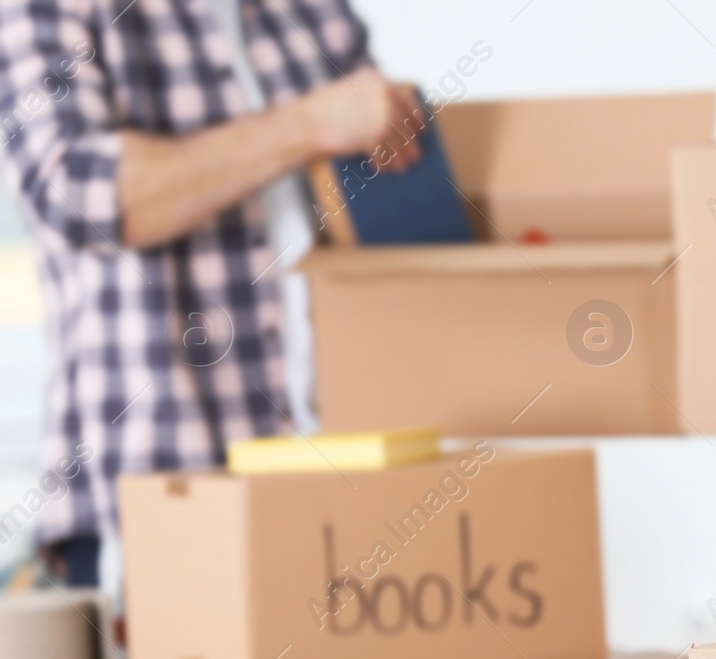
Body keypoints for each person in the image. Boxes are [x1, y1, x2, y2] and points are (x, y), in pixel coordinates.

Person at [0, 0, 422, 588]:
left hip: (337, 485)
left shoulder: (314, 12)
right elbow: (75, 194)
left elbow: (387, 194)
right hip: (154, 501)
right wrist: (308, 123)